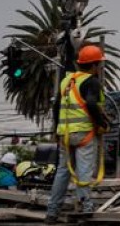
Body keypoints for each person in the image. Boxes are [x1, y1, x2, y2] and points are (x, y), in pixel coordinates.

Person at [45, 45, 109, 222]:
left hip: (65, 134)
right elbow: (90, 103)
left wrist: (56, 131)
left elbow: (56, 106)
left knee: (63, 172)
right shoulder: (92, 81)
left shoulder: (66, 81)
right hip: (84, 133)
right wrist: (102, 123)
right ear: (95, 65)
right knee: (84, 172)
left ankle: (52, 212)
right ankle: (86, 208)